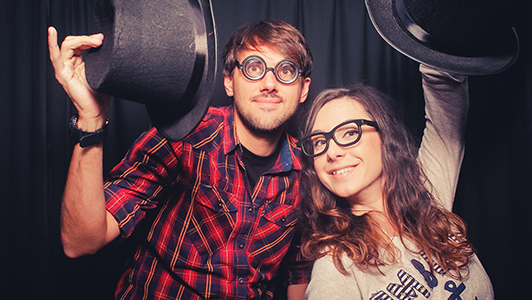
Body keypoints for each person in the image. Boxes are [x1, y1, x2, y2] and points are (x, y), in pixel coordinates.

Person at [48, 20, 312, 299]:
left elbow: (299, 270)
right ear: (229, 81)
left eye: (286, 71)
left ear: (303, 88)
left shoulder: (309, 172)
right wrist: (91, 121)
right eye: (254, 68)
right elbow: (80, 242)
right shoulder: (184, 135)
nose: (269, 84)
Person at [298, 65, 494, 299]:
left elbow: (444, 83)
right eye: (319, 142)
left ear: (385, 136)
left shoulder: (429, 193)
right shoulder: (337, 267)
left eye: (350, 133)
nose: (332, 152)